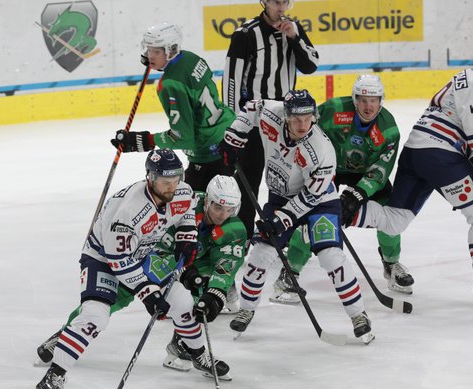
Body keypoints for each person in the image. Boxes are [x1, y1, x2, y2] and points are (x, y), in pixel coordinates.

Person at [30, 149, 230, 389]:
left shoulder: (181, 190)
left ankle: (197, 353)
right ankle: (52, 378)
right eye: (165, 182)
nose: (172, 187)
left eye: (175, 179)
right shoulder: (128, 212)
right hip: (102, 259)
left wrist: (187, 236)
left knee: (182, 301)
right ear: (150, 178)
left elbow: (186, 211)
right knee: (96, 316)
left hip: (143, 253)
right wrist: (148, 293)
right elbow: (119, 260)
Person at [353, 42, 473, 308]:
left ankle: (337, 213)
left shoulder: (466, 77)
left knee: (395, 220)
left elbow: (465, 131)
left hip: (416, 150)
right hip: (440, 156)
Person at [219, 89, 375, 344]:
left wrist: (282, 219)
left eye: (307, 118)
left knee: (331, 257)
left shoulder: (322, 150)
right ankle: (247, 309)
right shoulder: (272, 111)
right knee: (260, 253)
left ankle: (359, 315)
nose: (303, 124)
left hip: (320, 203)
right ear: (286, 116)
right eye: (296, 119)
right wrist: (234, 135)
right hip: (280, 196)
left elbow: (311, 197)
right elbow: (251, 107)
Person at [271, 75, 414, 305]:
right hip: (328, 168)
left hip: (364, 172)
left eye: (374, 100)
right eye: (363, 100)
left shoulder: (389, 129)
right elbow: (305, 129)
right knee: (314, 214)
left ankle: (391, 263)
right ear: (354, 99)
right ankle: (290, 272)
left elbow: (380, 170)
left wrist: (357, 194)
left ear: (382, 101)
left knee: (391, 210)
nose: (368, 106)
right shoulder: (334, 109)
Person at [222, 0, 319, 238]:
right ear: (264, 3)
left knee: (288, 180)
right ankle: (242, 235)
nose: (282, 8)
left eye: (286, 2)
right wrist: (236, 127)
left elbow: (311, 65)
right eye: (277, 2)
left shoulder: (294, 28)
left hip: (289, 122)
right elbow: (231, 83)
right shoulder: (245, 34)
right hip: (256, 121)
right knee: (249, 179)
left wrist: (295, 38)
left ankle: (283, 231)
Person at [111, 23, 235, 192]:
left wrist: (145, 140)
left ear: (171, 50)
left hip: (209, 153)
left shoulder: (170, 84)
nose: (150, 55)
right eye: (148, 50)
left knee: (194, 208)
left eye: (156, 51)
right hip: (230, 134)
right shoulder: (191, 58)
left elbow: (183, 137)